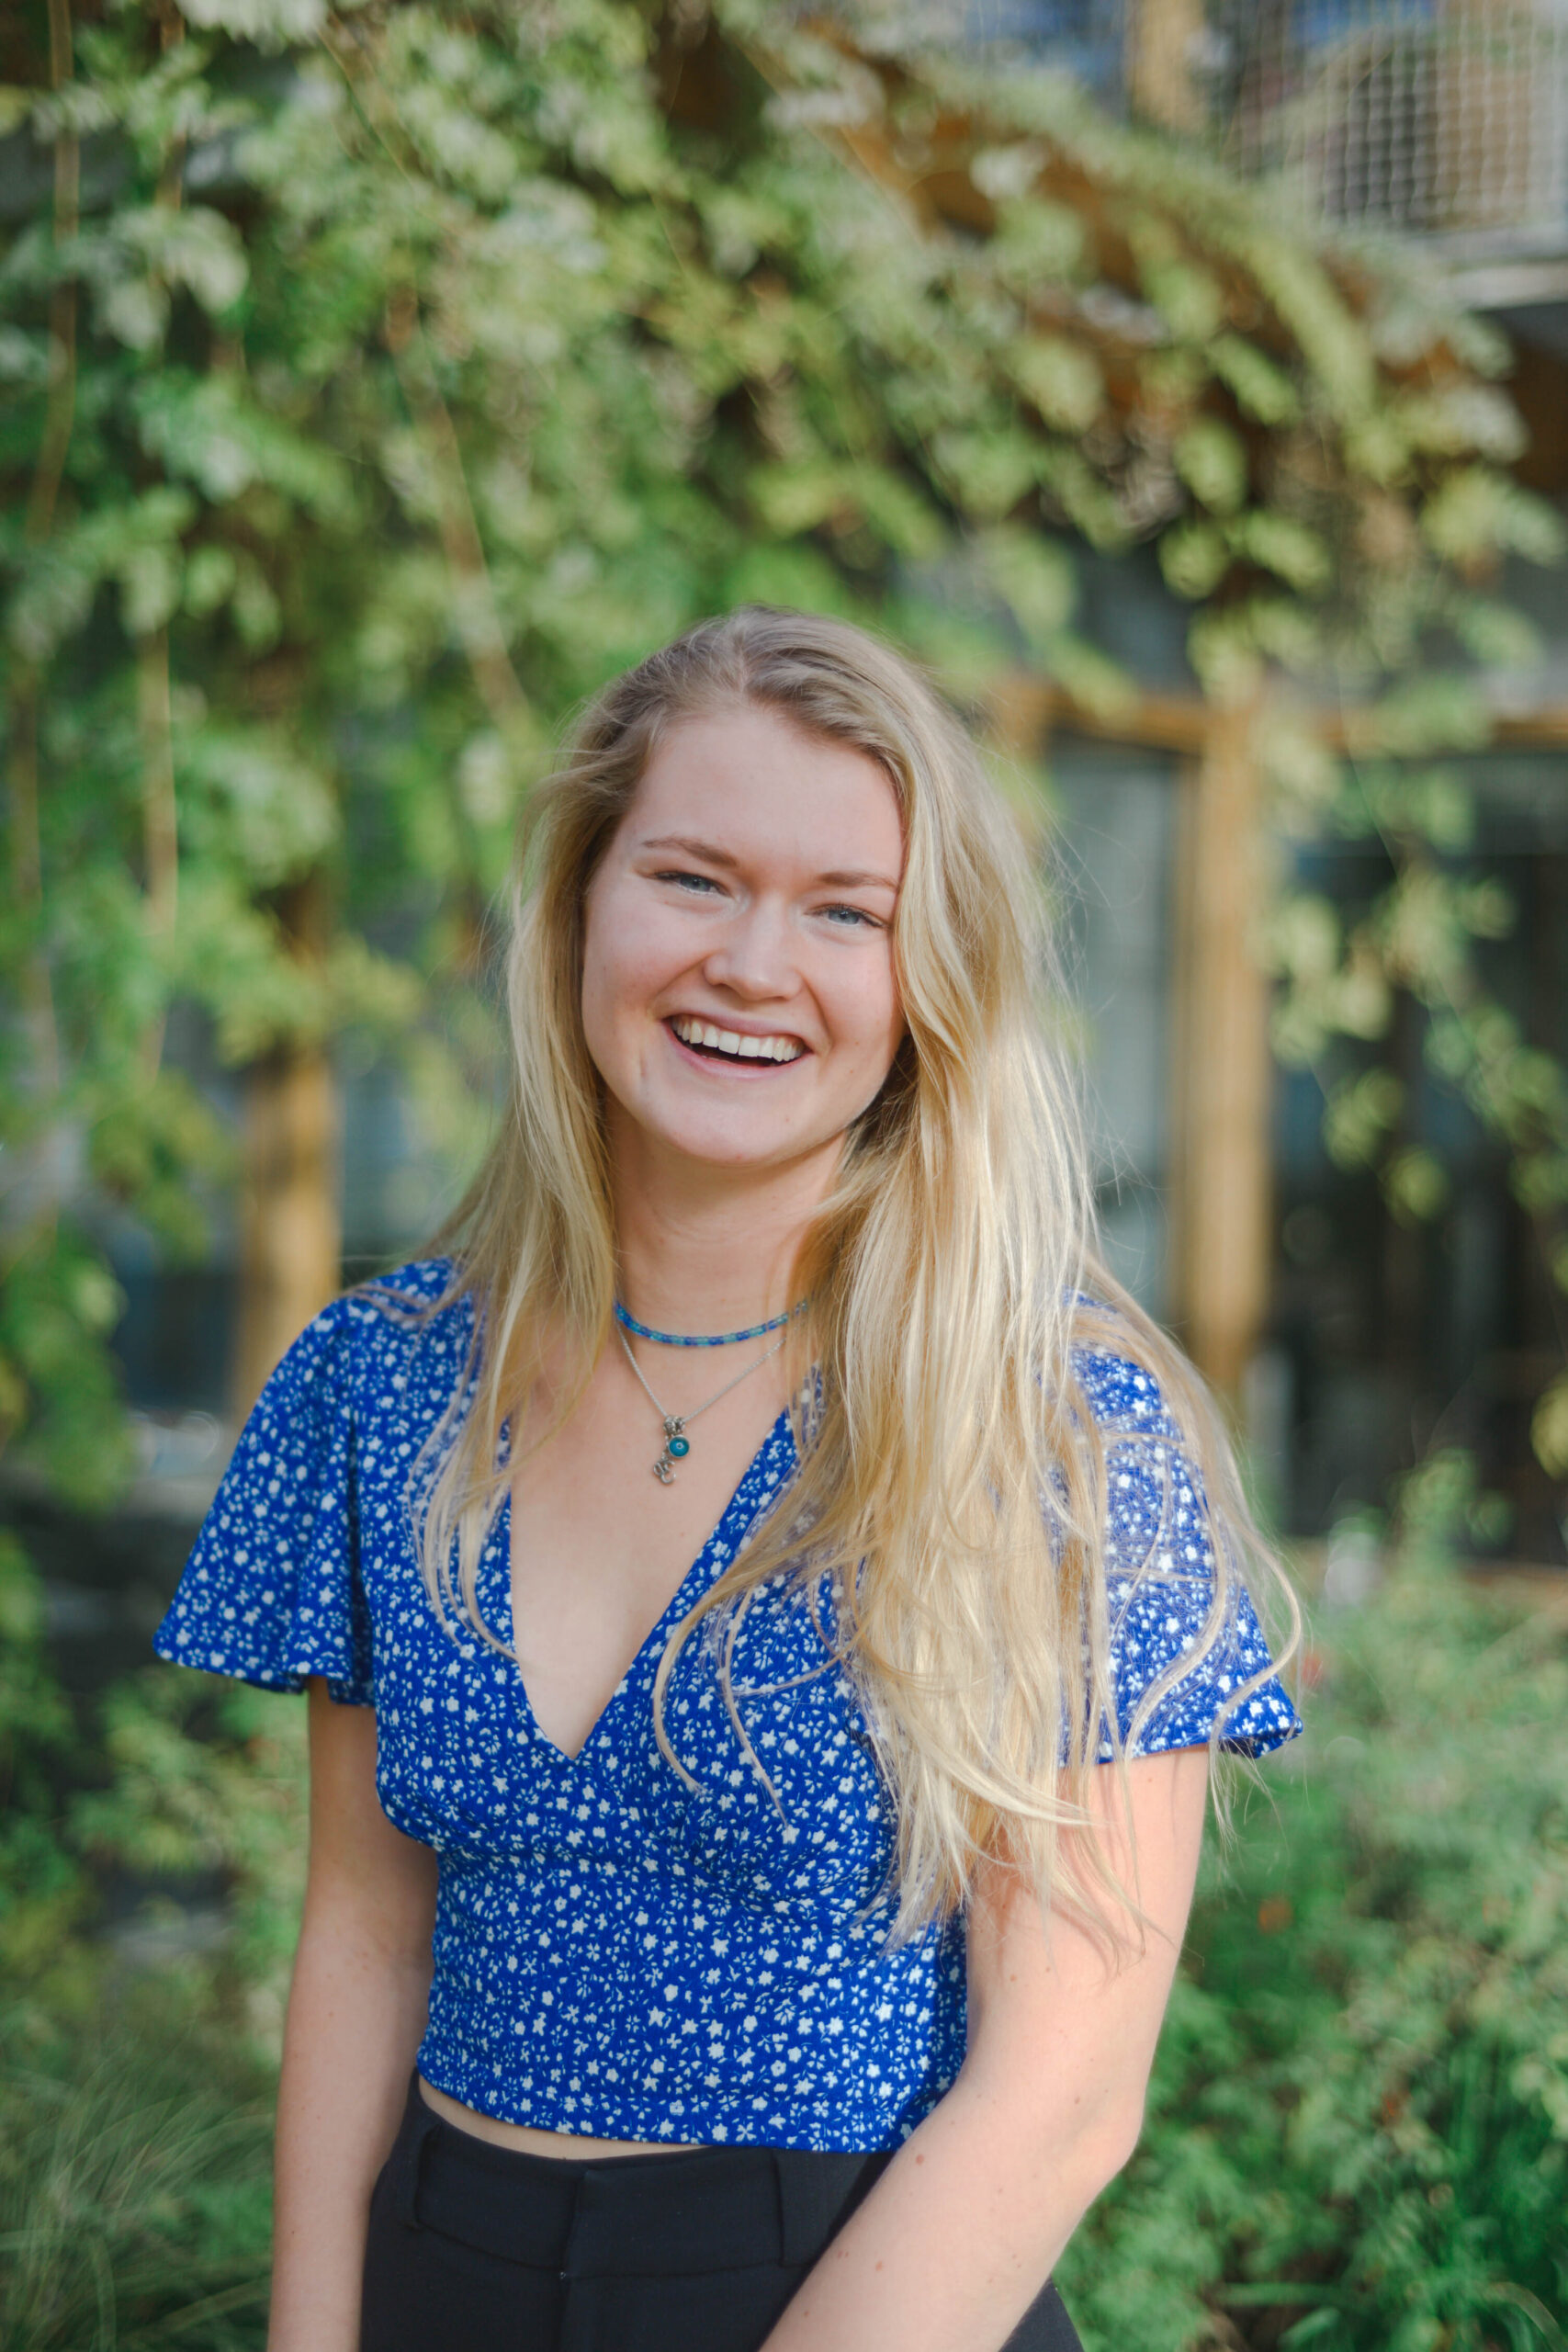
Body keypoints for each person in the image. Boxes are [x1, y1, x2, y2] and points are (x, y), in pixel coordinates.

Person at [154, 606, 1302, 2352]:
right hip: (441, 2271)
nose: (755, 966)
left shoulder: (1055, 1428)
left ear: (928, 982)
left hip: (862, 2291)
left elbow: (1062, 2098)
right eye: (693, 879)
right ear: (579, 906)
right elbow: (365, 1940)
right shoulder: (382, 1384)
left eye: (848, 912)